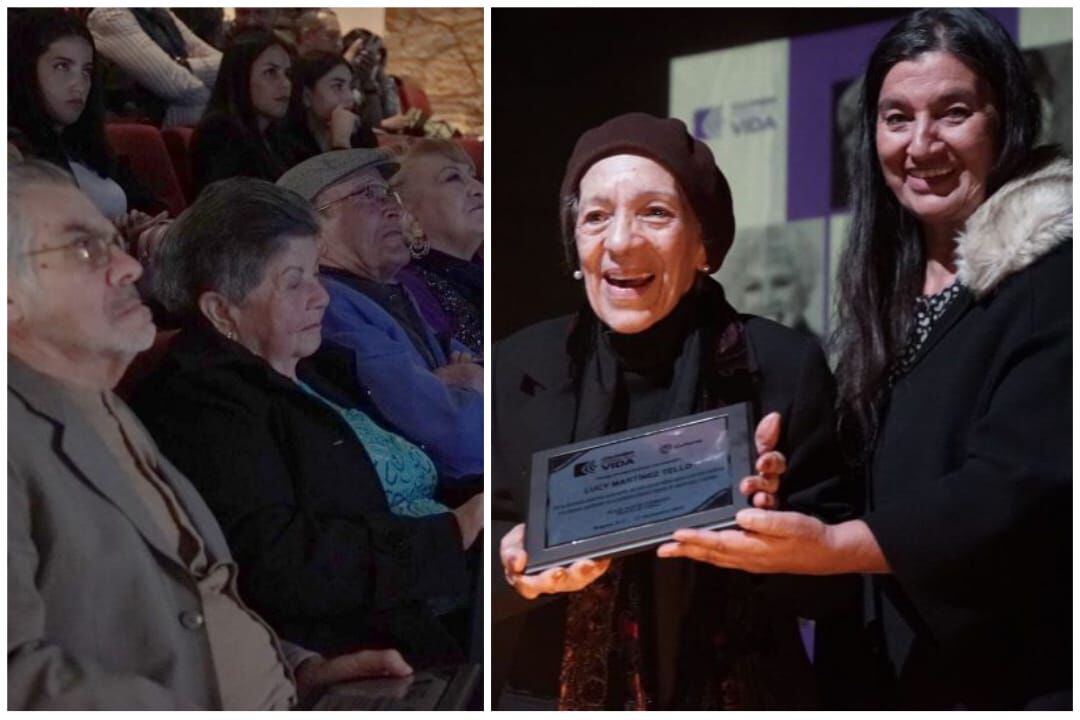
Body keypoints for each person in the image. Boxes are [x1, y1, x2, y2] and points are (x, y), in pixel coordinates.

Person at [658, 10, 1071, 710]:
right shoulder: (885, 290)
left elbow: (1018, 486)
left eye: (955, 112)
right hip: (882, 671)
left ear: (1007, 118)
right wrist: (781, 484)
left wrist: (837, 542)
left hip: (1013, 677)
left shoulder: (1057, 275)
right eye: (896, 117)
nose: (921, 143)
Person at [8, 158, 411, 709]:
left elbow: (196, 598)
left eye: (114, 243)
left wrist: (296, 669)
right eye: (84, 249)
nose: (129, 266)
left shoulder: (102, 402)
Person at [495, 113, 852, 710]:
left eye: (655, 213)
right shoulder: (520, 365)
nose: (620, 242)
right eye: (595, 216)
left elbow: (836, 591)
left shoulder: (782, 365)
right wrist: (516, 563)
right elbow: (483, 562)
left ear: (705, 243)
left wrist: (778, 539)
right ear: (574, 244)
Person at [132, 176, 482, 667]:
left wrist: (487, 502)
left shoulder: (316, 366)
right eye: (293, 282)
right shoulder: (203, 400)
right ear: (221, 311)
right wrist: (456, 531)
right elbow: (280, 564)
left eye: (317, 274)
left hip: (447, 584)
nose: (321, 297)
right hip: (389, 632)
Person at [276, 149, 484, 481]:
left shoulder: (390, 287)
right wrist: (473, 385)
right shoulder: (327, 308)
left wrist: (469, 380)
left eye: (388, 193)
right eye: (368, 195)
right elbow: (457, 436)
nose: (392, 207)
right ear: (313, 229)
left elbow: (474, 367)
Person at [9, 9, 164, 221]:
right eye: (62, 66)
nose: (79, 84)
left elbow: (151, 209)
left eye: (86, 71)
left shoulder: (87, 144)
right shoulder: (16, 151)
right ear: (26, 70)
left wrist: (143, 228)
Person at [394, 138, 484, 354]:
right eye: (453, 178)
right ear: (410, 216)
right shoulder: (412, 293)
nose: (478, 188)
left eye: (472, 176)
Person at [189, 31, 292, 195]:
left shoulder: (274, 136)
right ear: (241, 76)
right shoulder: (219, 132)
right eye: (271, 72)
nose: (286, 84)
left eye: (287, 73)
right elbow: (237, 209)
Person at [86, 7, 220, 126]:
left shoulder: (159, 12)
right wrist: (223, 96)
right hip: (145, 122)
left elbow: (224, 63)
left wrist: (183, 66)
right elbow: (176, 86)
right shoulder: (109, 15)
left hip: (181, 110)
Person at [278, 50, 378, 168]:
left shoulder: (358, 131)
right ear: (306, 96)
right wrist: (341, 142)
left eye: (350, 86)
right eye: (337, 86)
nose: (349, 97)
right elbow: (332, 185)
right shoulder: (284, 142)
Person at [341, 28, 403, 131]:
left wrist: (376, 79)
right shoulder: (341, 82)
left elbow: (395, 117)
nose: (373, 59)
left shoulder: (380, 80)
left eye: (377, 54)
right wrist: (383, 124)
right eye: (359, 53)